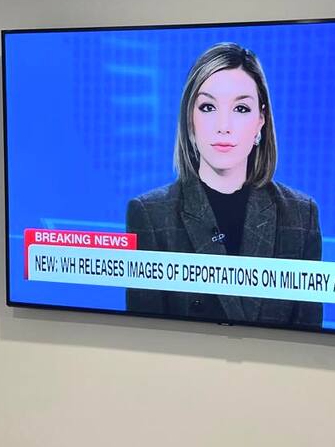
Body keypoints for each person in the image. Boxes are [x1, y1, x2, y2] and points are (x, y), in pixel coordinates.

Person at [126, 42, 322, 329]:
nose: (224, 126)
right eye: (208, 107)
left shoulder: (300, 214)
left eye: (241, 108)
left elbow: (308, 336)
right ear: (190, 121)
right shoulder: (150, 214)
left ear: (260, 121)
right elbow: (146, 334)